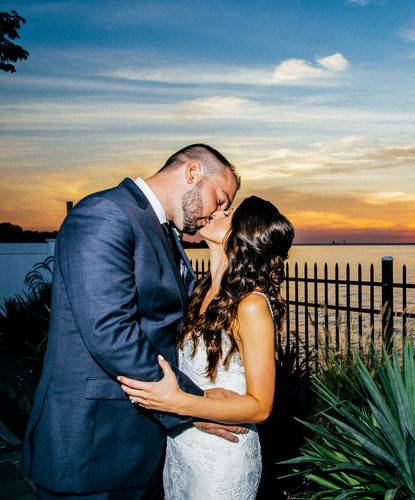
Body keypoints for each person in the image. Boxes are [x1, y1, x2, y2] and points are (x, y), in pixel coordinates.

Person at [22, 144, 247, 499]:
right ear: (192, 174)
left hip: (137, 445)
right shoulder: (104, 214)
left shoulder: (166, 233)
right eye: (220, 199)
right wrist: (191, 403)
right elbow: (111, 332)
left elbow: (177, 322)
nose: (218, 213)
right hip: (93, 444)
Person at [119, 195, 294, 499]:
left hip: (222, 457)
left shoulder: (250, 305)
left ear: (243, 234)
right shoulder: (200, 290)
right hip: (183, 445)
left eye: (229, 213)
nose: (217, 211)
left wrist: (177, 402)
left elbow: (260, 406)